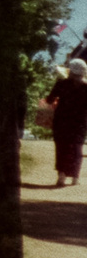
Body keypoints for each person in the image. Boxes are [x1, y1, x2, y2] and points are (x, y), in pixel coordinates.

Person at [45, 60, 87, 188]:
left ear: (70, 70)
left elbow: (49, 100)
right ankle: (75, 177)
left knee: (61, 146)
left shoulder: (62, 84)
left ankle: (61, 176)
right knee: (77, 147)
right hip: (80, 121)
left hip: (62, 120)